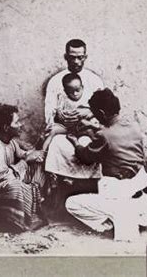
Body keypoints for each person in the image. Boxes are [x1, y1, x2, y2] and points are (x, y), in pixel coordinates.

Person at [65, 89, 147, 242]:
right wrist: (93, 128)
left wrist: (75, 142)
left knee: (71, 203)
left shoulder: (104, 136)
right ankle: (141, 218)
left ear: (101, 113)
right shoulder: (133, 124)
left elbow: (86, 157)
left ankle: (109, 224)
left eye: (95, 114)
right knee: (140, 209)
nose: (95, 117)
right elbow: (114, 134)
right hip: (143, 192)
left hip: (122, 197)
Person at [0, 104, 47, 233]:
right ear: (6, 127)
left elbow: (23, 155)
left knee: (38, 166)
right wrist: (26, 161)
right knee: (14, 185)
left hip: (12, 182)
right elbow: (0, 177)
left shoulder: (10, 141)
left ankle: (30, 213)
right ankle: (6, 219)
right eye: (17, 122)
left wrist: (35, 155)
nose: (21, 125)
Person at [44, 39, 104, 183]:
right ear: (66, 57)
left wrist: (89, 113)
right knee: (56, 143)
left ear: (85, 57)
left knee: (89, 142)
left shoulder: (95, 81)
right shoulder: (55, 81)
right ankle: (57, 181)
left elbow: (104, 110)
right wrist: (59, 115)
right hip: (64, 129)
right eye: (72, 57)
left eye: (80, 57)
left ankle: (88, 183)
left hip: (87, 127)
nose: (76, 61)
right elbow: (49, 109)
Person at [42, 73, 98, 151]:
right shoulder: (63, 97)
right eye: (70, 92)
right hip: (67, 127)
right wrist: (59, 113)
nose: (75, 94)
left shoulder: (87, 98)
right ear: (65, 91)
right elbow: (58, 109)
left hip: (82, 127)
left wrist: (88, 115)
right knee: (52, 131)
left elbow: (94, 111)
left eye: (77, 90)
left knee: (90, 131)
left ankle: (98, 150)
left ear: (82, 87)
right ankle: (43, 153)